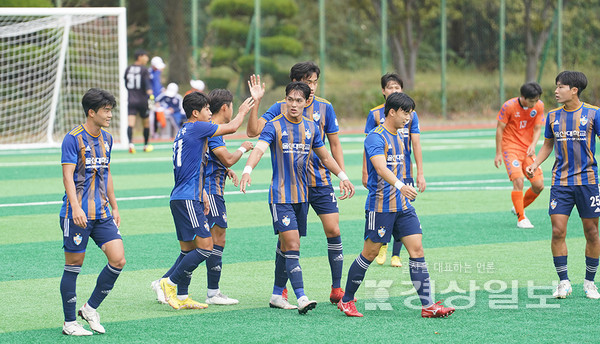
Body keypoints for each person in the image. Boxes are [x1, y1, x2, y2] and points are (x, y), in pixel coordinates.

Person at [240, 82, 355, 314]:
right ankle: (301, 296)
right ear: (285, 100)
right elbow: (260, 149)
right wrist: (247, 170)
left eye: (298, 101)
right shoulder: (274, 126)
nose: (293, 104)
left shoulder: (311, 128)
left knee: (286, 245)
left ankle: (276, 294)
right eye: (290, 100)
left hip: (302, 196)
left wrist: (343, 176)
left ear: (305, 103)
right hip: (280, 196)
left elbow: (325, 156)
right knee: (293, 244)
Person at [338, 92, 454, 318]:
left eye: (410, 113)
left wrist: (408, 185)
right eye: (405, 112)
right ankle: (347, 299)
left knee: (417, 250)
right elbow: (381, 168)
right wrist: (402, 185)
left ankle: (428, 305)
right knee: (369, 254)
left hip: (403, 207)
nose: (409, 117)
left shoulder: (400, 136)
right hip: (380, 206)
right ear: (392, 112)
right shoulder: (375, 137)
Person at [157, 91, 255, 310]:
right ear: (195, 113)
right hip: (187, 198)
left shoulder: (184, 131)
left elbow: (191, 168)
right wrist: (242, 112)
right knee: (205, 248)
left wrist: (202, 191)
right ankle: (168, 282)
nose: (210, 114)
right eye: (207, 110)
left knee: (188, 249)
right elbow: (231, 128)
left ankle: (182, 297)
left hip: (185, 196)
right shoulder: (197, 127)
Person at [526, 71, 600, 300]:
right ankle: (564, 282)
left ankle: (589, 282)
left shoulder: (594, 114)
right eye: (556, 87)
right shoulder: (552, 116)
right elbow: (548, 145)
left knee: (592, 232)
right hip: (561, 182)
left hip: (588, 181)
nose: (556, 91)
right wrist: (535, 164)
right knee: (558, 231)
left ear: (574, 90)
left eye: (561, 87)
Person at [59, 88, 126, 336]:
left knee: (118, 259)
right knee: (74, 265)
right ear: (91, 112)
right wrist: (76, 207)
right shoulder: (73, 139)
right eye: (106, 111)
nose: (110, 115)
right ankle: (69, 323)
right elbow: (67, 176)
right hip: (76, 213)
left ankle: (89, 308)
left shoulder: (107, 139)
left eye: (110, 110)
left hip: (102, 212)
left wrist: (115, 205)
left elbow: (106, 174)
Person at [364, 73, 426, 268]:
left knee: (404, 212)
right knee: (386, 211)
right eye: (390, 87)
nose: (394, 90)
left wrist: (420, 172)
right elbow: (370, 149)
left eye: (397, 87)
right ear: (383, 91)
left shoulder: (411, 115)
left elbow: (415, 143)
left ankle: (396, 255)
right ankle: (381, 244)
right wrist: (365, 171)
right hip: (382, 173)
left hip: (403, 171)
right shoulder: (375, 116)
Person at [202, 88, 254, 305]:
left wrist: (224, 169)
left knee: (202, 243)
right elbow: (229, 158)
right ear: (225, 107)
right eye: (233, 106)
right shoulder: (214, 129)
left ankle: (168, 282)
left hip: (211, 188)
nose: (233, 110)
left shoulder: (213, 129)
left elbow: (212, 159)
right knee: (214, 240)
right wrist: (242, 148)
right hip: (210, 192)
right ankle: (212, 292)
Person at [495, 82, 545, 229]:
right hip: (510, 148)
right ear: (523, 97)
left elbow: (537, 128)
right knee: (519, 181)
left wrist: (533, 145)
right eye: (532, 101)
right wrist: (498, 153)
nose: (535, 103)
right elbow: (499, 129)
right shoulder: (509, 106)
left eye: (537, 100)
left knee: (539, 185)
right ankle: (521, 218)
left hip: (527, 149)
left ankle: (518, 206)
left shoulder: (539, 106)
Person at [124, 49, 153, 153]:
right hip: (143, 100)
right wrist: (151, 100)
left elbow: (126, 85)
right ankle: (146, 145)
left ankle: (131, 144)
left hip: (131, 99)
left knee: (130, 123)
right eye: (145, 56)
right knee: (146, 123)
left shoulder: (128, 69)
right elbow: (148, 88)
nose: (147, 59)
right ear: (140, 56)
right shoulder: (144, 70)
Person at [149, 56, 166, 139]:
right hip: (152, 99)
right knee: (151, 115)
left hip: (157, 98)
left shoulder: (156, 72)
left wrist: (162, 88)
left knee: (157, 115)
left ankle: (156, 132)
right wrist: (156, 100)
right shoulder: (151, 74)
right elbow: (153, 88)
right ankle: (153, 133)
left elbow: (157, 86)